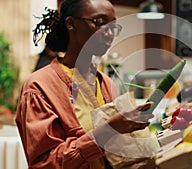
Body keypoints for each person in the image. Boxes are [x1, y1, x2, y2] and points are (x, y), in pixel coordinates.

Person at [15, 0, 154, 168]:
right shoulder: (38, 87)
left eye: (114, 26)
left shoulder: (106, 83)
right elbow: (44, 164)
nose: (110, 33)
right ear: (71, 24)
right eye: (100, 23)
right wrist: (107, 130)